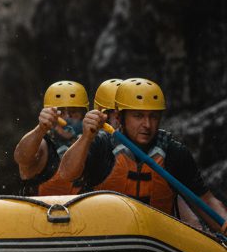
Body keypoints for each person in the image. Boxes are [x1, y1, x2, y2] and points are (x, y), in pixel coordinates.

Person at [56, 78, 227, 230]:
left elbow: (206, 200)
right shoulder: (102, 144)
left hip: (158, 245)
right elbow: (66, 173)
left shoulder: (173, 152)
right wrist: (86, 137)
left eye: (153, 117)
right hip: (104, 238)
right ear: (119, 117)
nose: (147, 124)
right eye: (138, 116)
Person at [13, 80, 90, 195]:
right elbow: (21, 157)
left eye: (74, 112)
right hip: (41, 211)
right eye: (61, 113)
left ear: (83, 116)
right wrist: (40, 129)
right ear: (51, 115)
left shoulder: (93, 143)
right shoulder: (42, 145)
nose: (67, 118)